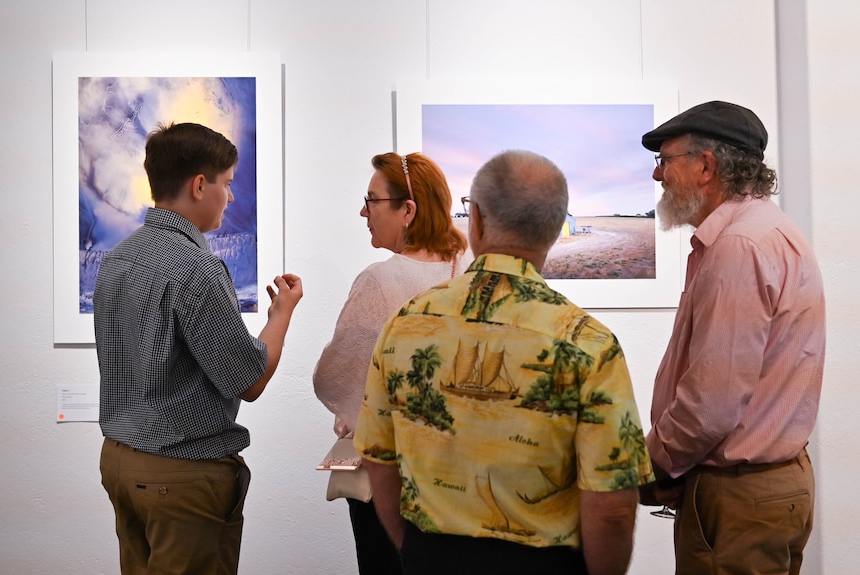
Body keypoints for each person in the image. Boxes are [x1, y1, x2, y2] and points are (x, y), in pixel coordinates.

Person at [354, 150, 654, 575]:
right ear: (553, 229)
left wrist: (416, 551)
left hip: (430, 558)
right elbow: (613, 507)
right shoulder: (590, 345)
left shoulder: (406, 324)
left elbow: (378, 457)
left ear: (474, 220)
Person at [94, 122, 303, 575]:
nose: (230, 197)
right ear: (199, 185)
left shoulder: (116, 260)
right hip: (181, 474)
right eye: (227, 184)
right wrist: (281, 315)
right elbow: (249, 381)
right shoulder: (197, 267)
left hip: (120, 462)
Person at [638, 101, 826, 575]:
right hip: (764, 489)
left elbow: (712, 403)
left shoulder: (739, 248)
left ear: (706, 166)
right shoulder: (765, 232)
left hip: (739, 496)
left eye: (665, 160)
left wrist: (650, 466)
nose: (659, 175)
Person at [313, 152, 468, 574]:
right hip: (463, 480)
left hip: (390, 481)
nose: (363, 211)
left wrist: (352, 412)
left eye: (372, 200)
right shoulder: (473, 272)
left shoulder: (380, 280)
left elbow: (333, 377)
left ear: (408, 211)